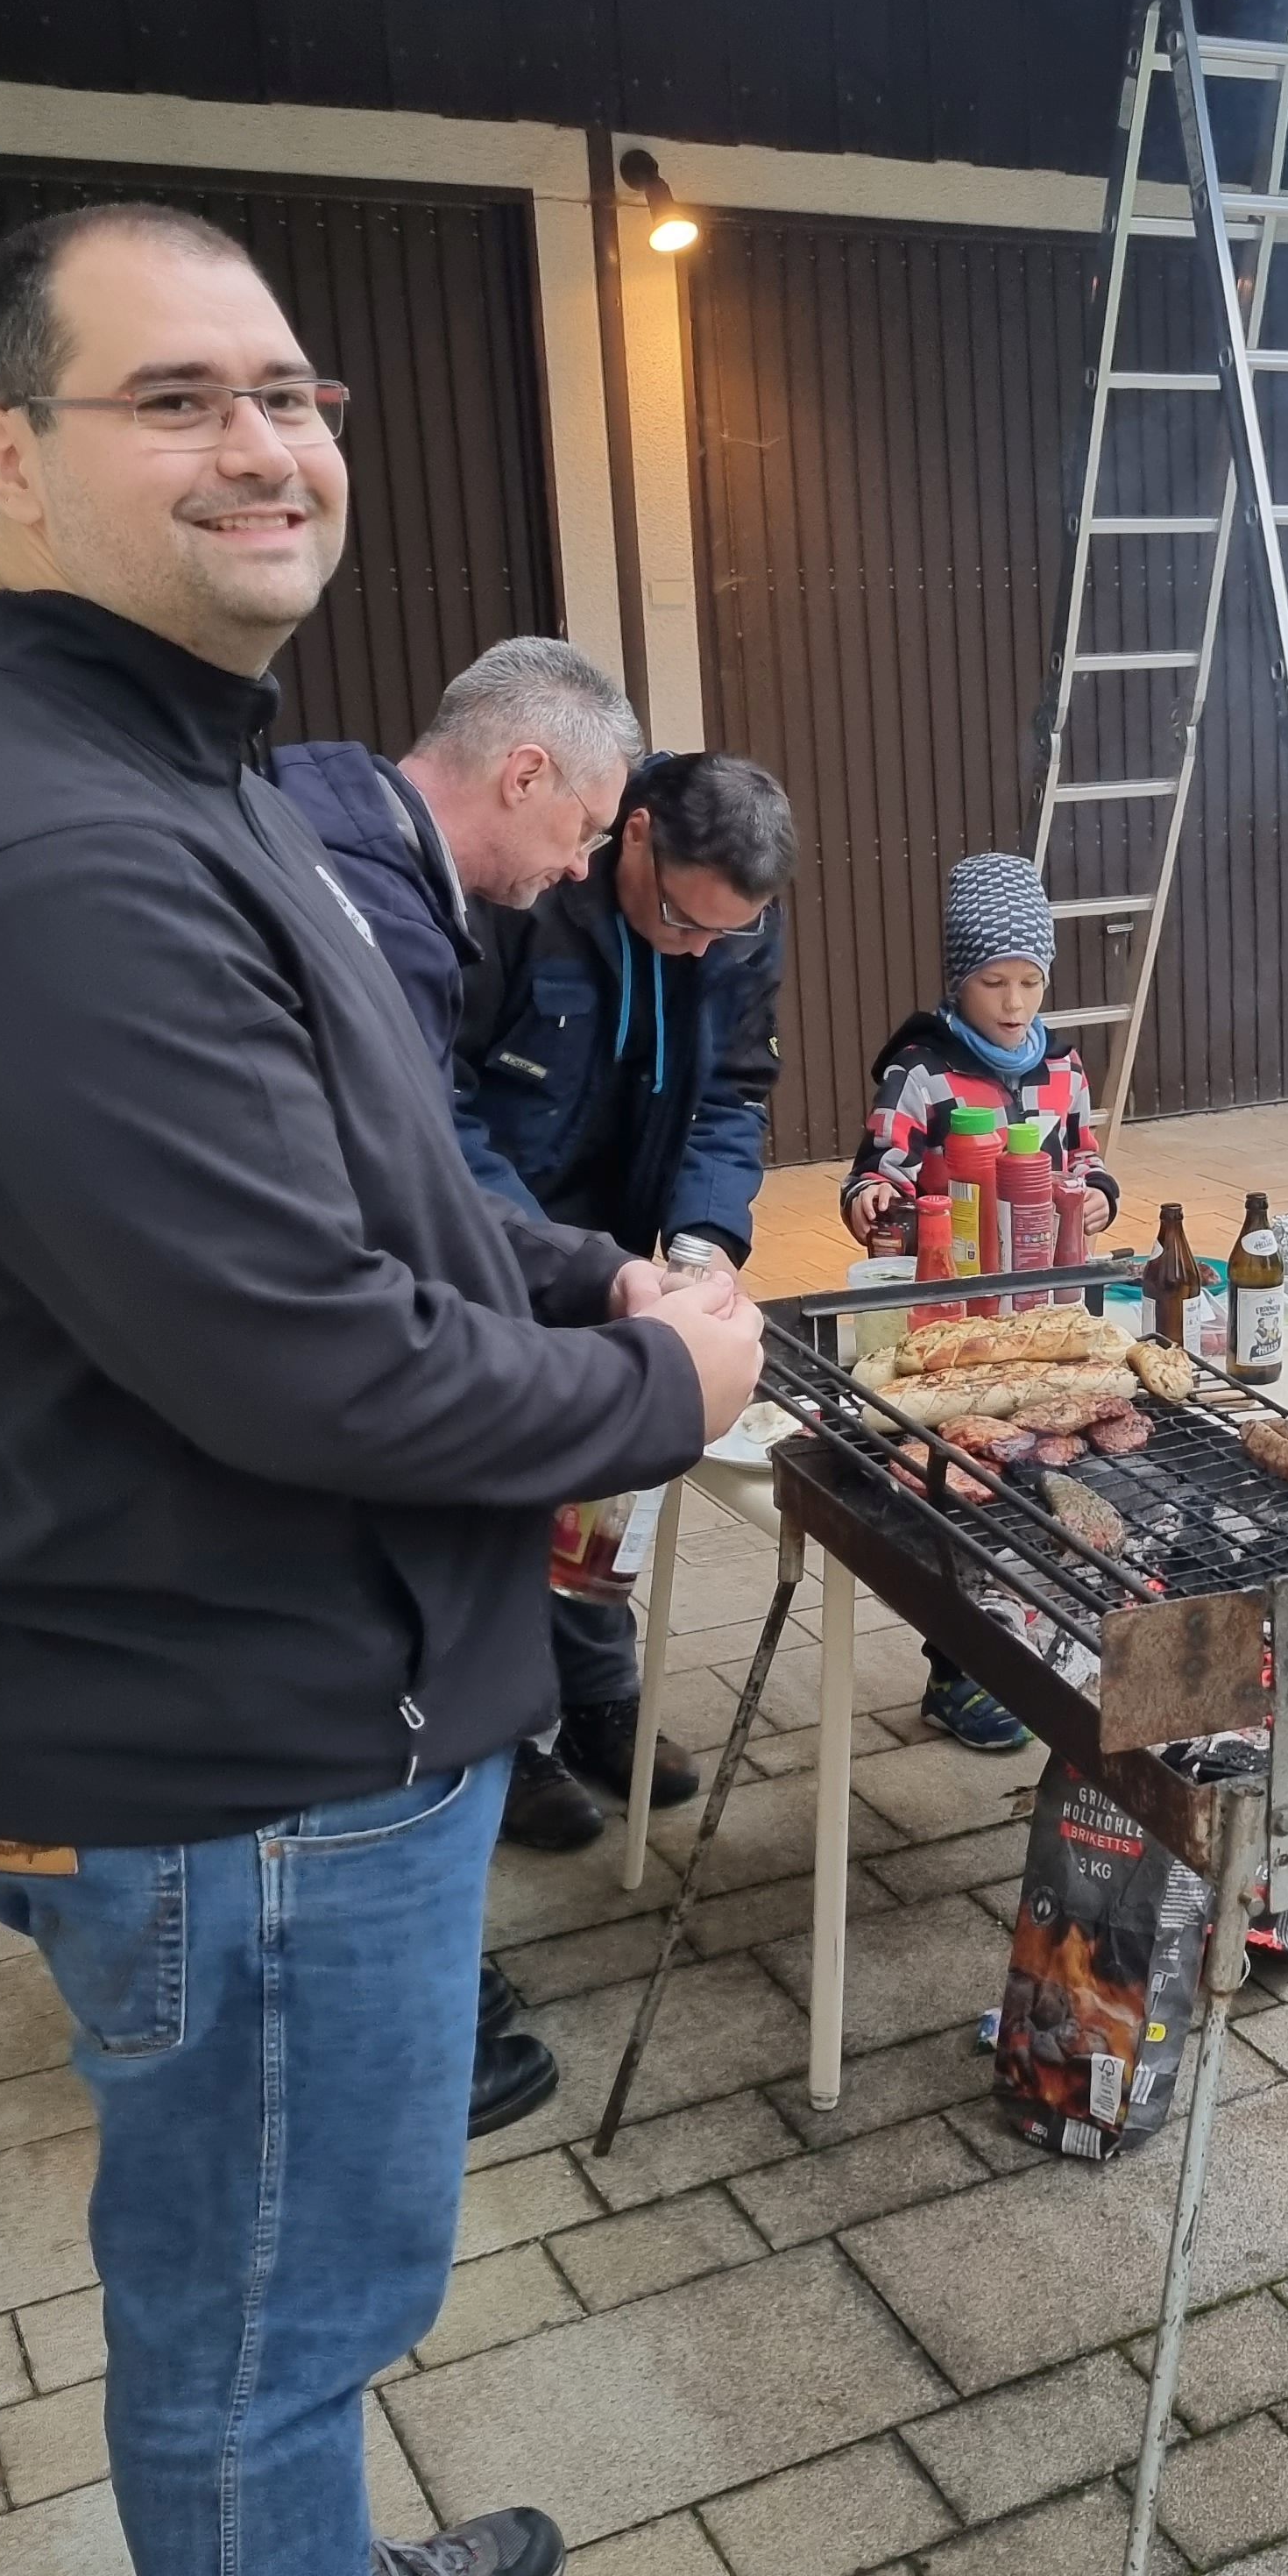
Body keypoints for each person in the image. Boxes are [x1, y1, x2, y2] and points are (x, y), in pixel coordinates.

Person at [0, 200, 763, 2576]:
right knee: (270, 2293)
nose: (267, 444)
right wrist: (668, 1392)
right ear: (10, 450)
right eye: (178, 399)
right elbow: (314, 1366)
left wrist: (586, 1276)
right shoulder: (51, 852)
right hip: (233, 1737)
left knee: (284, 2273)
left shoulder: (186, 763)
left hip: (287, 1702)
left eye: (290, 392)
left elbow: (376, 1193)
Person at [272, 635, 646, 2133]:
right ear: (523, 771)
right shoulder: (366, 905)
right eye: (584, 827)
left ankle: (418, 1991)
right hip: (322, 1424)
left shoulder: (352, 857)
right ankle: (402, 2026)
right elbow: (408, 1194)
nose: (579, 867)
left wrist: (595, 1273)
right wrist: (609, 1349)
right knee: (387, 1683)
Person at [455, 748, 796, 1848]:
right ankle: (506, 1740)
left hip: (628, 1231)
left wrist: (700, 1244)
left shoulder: (734, 921)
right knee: (501, 1485)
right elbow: (441, 1110)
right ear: (634, 834)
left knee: (607, 1480)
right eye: (683, 921)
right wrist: (561, 1258)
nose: (700, 946)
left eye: (725, 933)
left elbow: (732, 1092)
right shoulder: (523, 890)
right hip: (496, 1230)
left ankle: (602, 1701)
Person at [841, 850, 1121, 1751]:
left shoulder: (1064, 1067)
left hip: (1043, 1313)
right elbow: (878, 1169)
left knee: (1053, 1473)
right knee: (965, 1488)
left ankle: (1045, 1638)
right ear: (958, 982)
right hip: (952, 1315)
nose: (1013, 1002)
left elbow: (1084, 1159)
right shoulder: (923, 1069)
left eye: (1029, 981)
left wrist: (1099, 1194)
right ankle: (956, 1669)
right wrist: (873, 1201)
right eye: (994, 982)